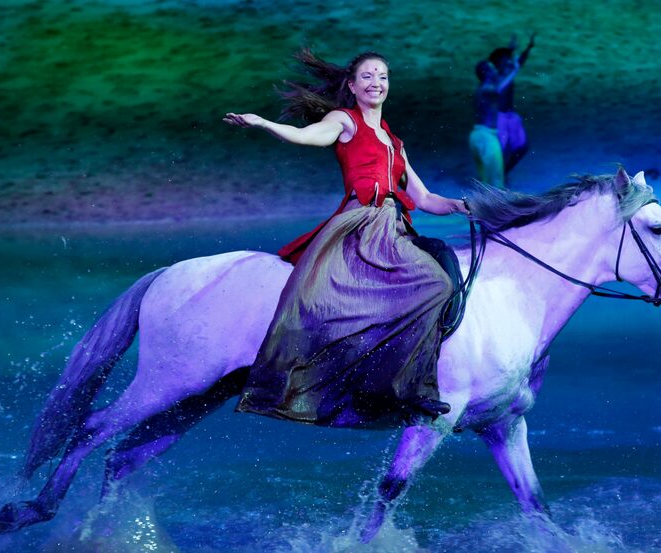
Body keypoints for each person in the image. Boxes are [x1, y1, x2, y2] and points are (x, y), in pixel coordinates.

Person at [223, 50, 468, 427]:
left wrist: (460, 205)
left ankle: (392, 378)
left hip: (394, 223)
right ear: (352, 86)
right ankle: (409, 387)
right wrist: (264, 123)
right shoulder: (345, 121)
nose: (376, 83)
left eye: (383, 76)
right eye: (367, 77)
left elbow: (424, 198)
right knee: (434, 284)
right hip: (362, 222)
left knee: (439, 273)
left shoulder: (394, 142)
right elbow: (309, 136)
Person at [488, 33, 535, 179]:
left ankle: (503, 173)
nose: (509, 61)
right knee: (498, 152)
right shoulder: (496, 78)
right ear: (499, 62)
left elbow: (518, 62)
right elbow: (515, 66)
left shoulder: (505, 72)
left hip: (509, 115)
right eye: (505, 59)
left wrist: (527, 47)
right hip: (500, 117)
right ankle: (495, 177)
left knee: (522, 148)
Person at [470, 58, 519, 188]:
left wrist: (510, 61)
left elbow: (500, 80)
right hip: (486, 137)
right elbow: (499, 88)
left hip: (479, 135)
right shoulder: (486, 89)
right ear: (486, 73)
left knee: (487, 181)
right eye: (492, 68)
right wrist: (514, 70)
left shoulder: (483, 88)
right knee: (496, 182)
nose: (495, 70)